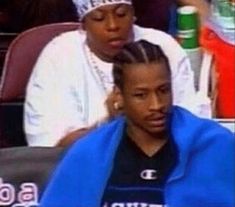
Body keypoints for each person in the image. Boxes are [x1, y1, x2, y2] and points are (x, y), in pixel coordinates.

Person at [39, 40, 235, 207]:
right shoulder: (89, 153)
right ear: (119, 96)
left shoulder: (215, 145)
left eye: (163, 90)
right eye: (141, 95)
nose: (156, 105)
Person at [24, 0, 204, 147]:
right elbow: (53, 149)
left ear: (133, 14)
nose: (113, 25)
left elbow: (192, 124)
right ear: (83, 24)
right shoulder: (59, 56)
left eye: (121, 14)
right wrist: (110, 123)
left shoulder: (162, 47)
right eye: (99, 18)